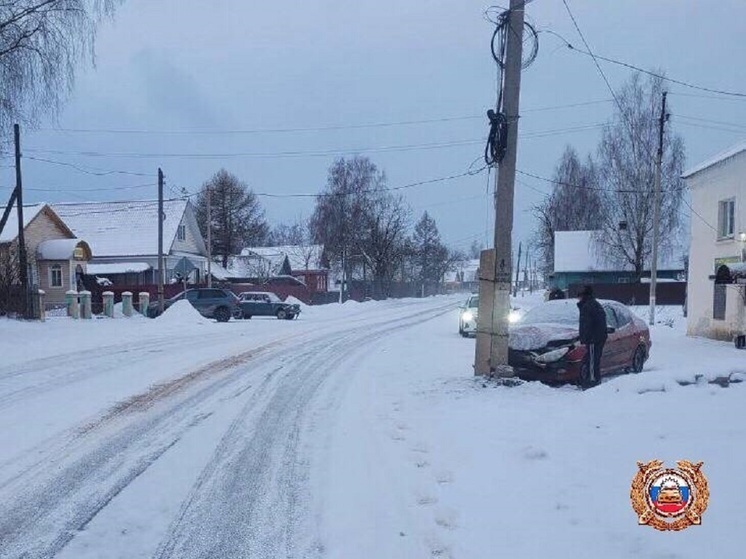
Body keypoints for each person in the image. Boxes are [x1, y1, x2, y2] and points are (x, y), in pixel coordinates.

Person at [576, 285, 607, 388]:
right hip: (598, 337)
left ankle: (593, 381)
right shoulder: (594, 304)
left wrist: (585, 338)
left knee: (593, 360)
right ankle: (592, 379)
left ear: (584, 296)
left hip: (594, 338)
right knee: (592, 360)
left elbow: (586, 324)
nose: (578, 298)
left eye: (579, 296)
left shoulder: (588, 306)